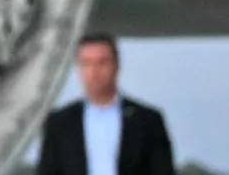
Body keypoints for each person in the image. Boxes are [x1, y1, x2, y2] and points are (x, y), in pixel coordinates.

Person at [36, 34, 175, 175]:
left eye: (102, 63)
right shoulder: (59, 123)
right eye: (86, 63)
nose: (94, 72)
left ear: (116, 66)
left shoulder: (148, 121)